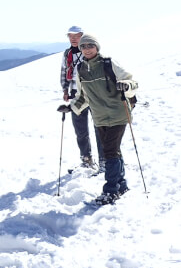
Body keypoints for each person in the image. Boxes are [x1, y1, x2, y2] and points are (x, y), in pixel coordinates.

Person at [69, 34, 139, 205]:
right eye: (83, 46)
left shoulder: (108, 63)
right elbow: (83, 96)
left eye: (90, 46)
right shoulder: (81, 69)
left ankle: (111, 191)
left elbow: (133, 83)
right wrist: (71, 108)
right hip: (99, 117)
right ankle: (121, 185)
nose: (87, 49)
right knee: (114, 151)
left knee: (109, 152)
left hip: (118, 113)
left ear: (97, 47)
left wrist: (126, 85)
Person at [58, 25, 105, 171]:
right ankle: (86, 158)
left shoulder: (90, 51)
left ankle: (104, 159)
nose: (73, 39)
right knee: (80, 129)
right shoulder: (68, 54)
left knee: (100, 126)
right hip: (74, 93)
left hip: (93, 93)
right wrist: (65, 89)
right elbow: (64, 71)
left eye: (76, 36)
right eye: (70, 36)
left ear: (82, 35)